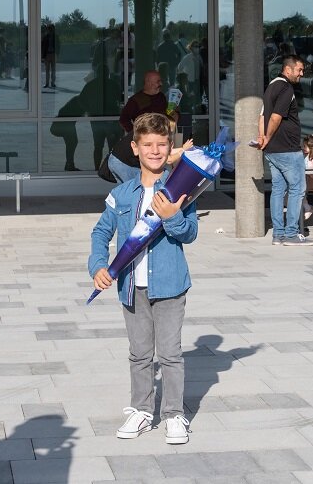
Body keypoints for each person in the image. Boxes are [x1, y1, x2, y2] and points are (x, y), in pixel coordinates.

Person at [89, 113, 198, 446]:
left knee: (170, 354)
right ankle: (141, 410)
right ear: (135, 148)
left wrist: (173, 217)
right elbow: (101, 232)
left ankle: (174, 415)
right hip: (131, 288)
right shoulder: (122, 194)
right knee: (139, 354)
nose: (155, 151)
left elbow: (190, 233)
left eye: (162, 145)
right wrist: (98, 266)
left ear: (171, 148)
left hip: (169, 286)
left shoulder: (181, 189)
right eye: (148, 145)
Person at [259, 54, 313, 246]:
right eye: (299, 70)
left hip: (272, 149)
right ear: (288, 69)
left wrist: (263, 138)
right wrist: (267, 137)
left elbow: (262, 115)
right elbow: (274, 117)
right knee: (298, 189)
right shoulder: (285, 87)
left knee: (278, 190)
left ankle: (278, 235)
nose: (301, 73)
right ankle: (291, 233)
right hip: (287, 149)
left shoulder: (271, 86)